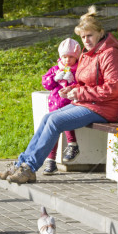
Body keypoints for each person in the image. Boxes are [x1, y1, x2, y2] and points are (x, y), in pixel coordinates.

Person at [0, 6, 118, 184]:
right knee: (48, 117)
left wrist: (79, 92)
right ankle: (20, 163)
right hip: (90, 103)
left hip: (107, 107)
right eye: (82, 37)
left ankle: (29, 169)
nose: (86, 40)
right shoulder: (87, 54)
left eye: (89, 35)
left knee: (55, 121)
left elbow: (113, 89)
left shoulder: (111, 55)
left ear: (100, 32)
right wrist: (71, 89)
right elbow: (85, 82)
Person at [40, 38, 82, 174]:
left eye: (71, 57)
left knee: (66, 123)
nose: (67, 60)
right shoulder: (55, 70)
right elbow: (46, 84)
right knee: (53, 134)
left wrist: (73, 80)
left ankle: (72, 144)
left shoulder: (79, 71)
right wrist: (54, 78)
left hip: (69, 105)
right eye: (64, 57)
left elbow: (82, 85)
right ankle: (51, 161)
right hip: (55, 105)